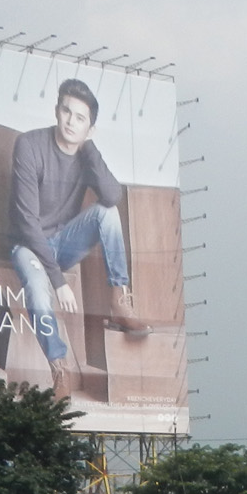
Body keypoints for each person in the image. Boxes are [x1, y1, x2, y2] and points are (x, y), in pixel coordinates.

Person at [8, 79, 150, 401]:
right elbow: (27, 224)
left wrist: (89, 148)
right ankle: (59, 367)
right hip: (28, 245)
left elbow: (112, 196)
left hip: (62, 241)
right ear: (57, 111)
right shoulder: (29, 146)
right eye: (66, 111)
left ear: (90, 128)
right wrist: (58, 281)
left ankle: (119, 300)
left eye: (81, 118)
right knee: (38, 291)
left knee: (107, 214)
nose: (71, 121)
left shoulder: (86, 152)